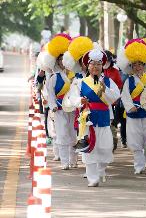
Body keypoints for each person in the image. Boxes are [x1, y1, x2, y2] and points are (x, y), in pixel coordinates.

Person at [63, 49, 120, 187]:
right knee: (90, 148)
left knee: (106, 147)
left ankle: (100, 170)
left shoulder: (108, 82)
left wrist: (105, 89)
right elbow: (72, 97)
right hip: (87, 119)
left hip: (104, 118)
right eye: (92, 64)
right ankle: (92, 177)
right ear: (88, 66)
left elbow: (115, 96)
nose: (95, 67)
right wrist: (80, 100)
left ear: (102, 66)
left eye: (98, 64)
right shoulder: (80, 82)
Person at [119, 39, 146, 174]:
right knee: (135, 140)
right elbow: (125, 96)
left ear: (144, 64)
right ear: (131, 66)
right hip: (134, 113)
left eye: (140, 64)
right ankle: (138, 166)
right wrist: (130, 107)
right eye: (134, 65)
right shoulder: (128, 80)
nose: (137, 67)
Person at [41, 34, 77, 170]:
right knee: (62, 135)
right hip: (60, 110)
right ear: (56, 61)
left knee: (73, 135)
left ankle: (74, 160)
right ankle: (65, 162)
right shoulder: (54, 77)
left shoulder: (74, 76)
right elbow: (50, 94)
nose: (63, 62)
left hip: (73, 109)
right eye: (60, 59)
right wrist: (54, 106)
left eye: (65, 59)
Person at [103, 50, 123, 152]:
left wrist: (111, 91)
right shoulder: (99, 71)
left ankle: (114, 140)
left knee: (113, 123)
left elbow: (119, 85)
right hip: (102, 102)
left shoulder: (115, 72)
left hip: (114, 102)